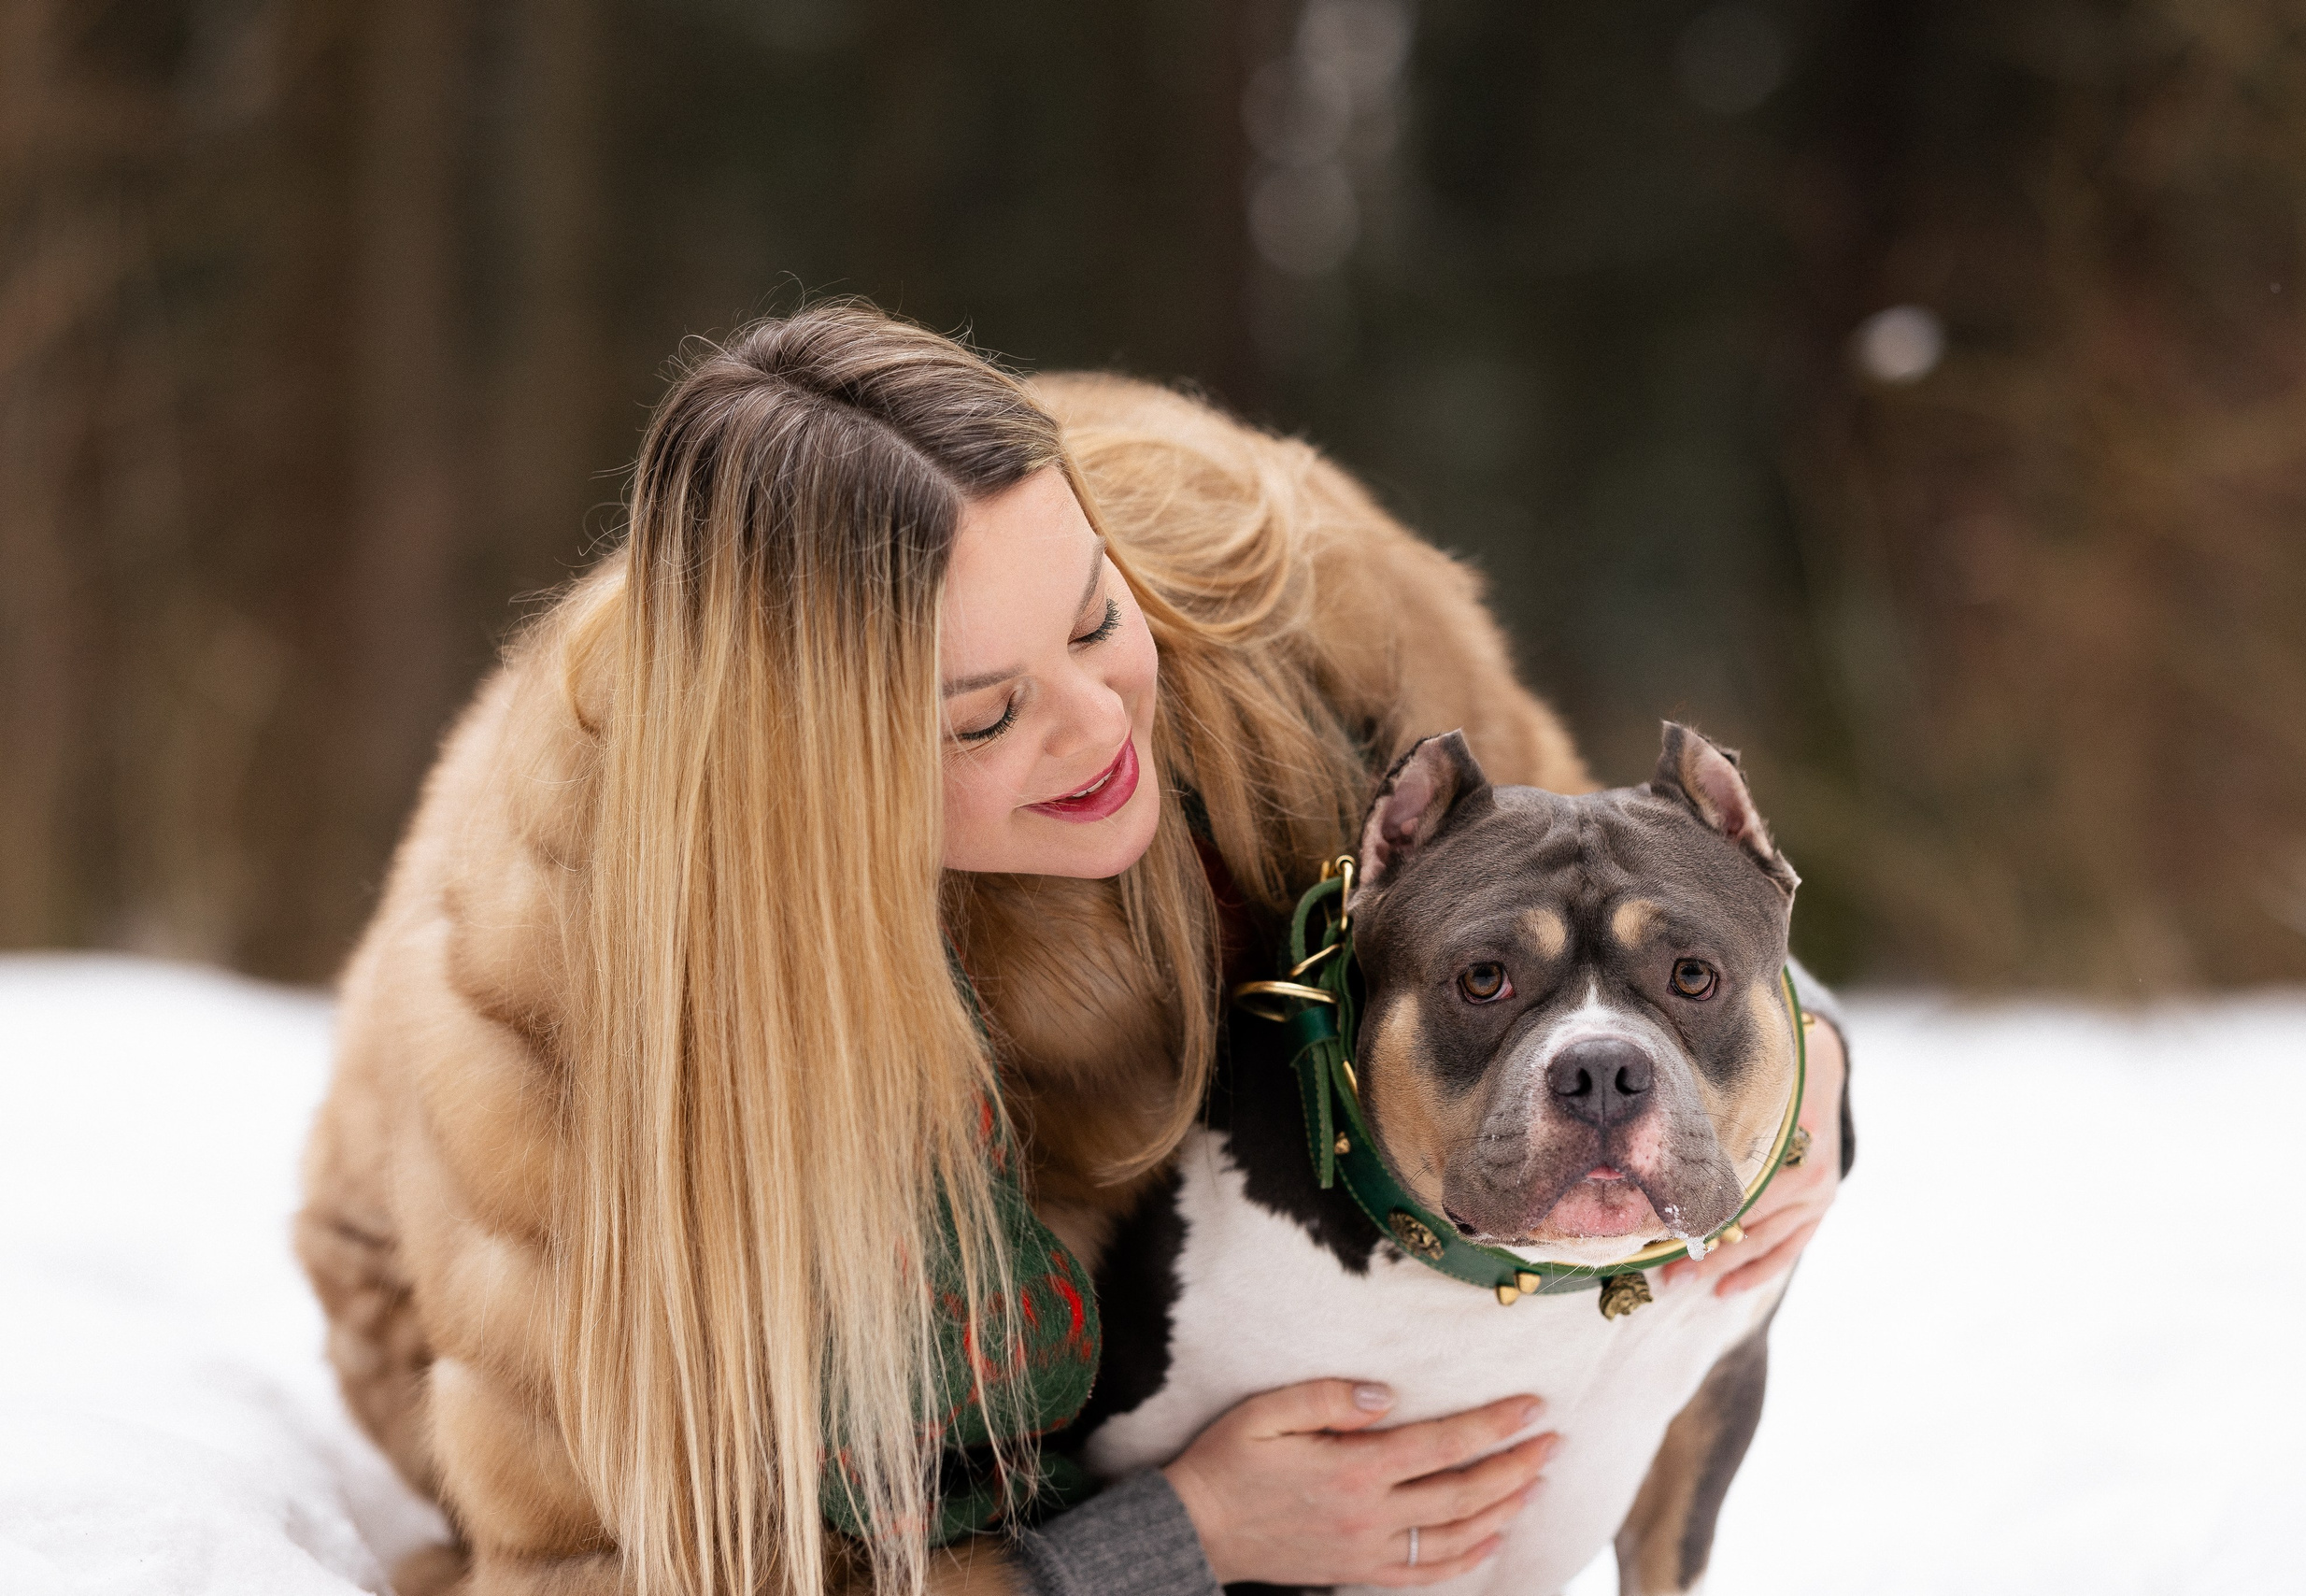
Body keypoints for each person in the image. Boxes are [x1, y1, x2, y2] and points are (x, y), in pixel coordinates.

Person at [297, 302, 1848, 1596]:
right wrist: (1165, 1544)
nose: (1104, 725)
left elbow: (1595, 885)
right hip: (580, 1358)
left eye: (1097, 617)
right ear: (810, 788)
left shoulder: (1272, 597)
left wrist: (1788, 1088)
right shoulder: (587, 1020)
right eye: (983, 714)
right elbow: (613, 1569)